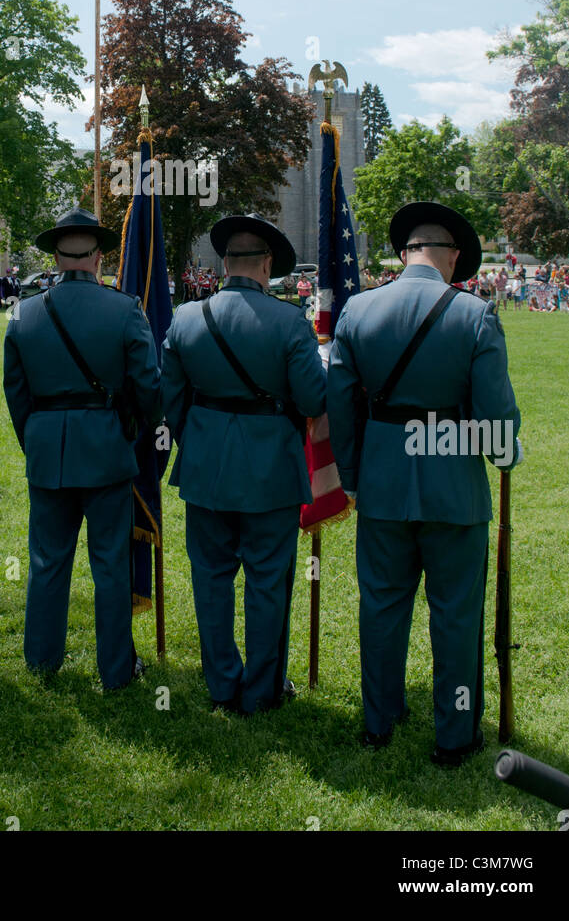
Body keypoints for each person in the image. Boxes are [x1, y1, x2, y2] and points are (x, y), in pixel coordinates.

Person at [326, 201, 522, 767]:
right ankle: (455, 736)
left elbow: (341, 405)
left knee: (381, 605)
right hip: (453, 482)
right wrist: (505, 452)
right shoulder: (474, 314)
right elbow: (497, 419)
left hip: (384, 477)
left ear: (403, 253)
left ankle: (379, 721)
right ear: (454, 257)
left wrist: (355, 475)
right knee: (456, 611)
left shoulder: (358, 310)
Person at [161, 212, 326, 715]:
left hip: (206, 467)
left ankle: (221, 685)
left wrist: (204, 437)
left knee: (210, 579)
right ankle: (260, 690)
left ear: (225, 263)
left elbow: (169, 399)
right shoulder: (289, 322)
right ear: (267, 265)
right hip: (271, 472)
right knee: (267, 581)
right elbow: (314, 399)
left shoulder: (186, 318)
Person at [3, 207, 162, 690]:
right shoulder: (124, 309)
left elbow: (16, 393)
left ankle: (41, 660)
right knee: (110, 562)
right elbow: (149, 386)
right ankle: (115, 670)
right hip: (108, 449)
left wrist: (37, 440)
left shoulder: (23, 313)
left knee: (48, 561)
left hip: (49, 449)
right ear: (97, 258)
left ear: (56, 257)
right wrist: (134, 430)